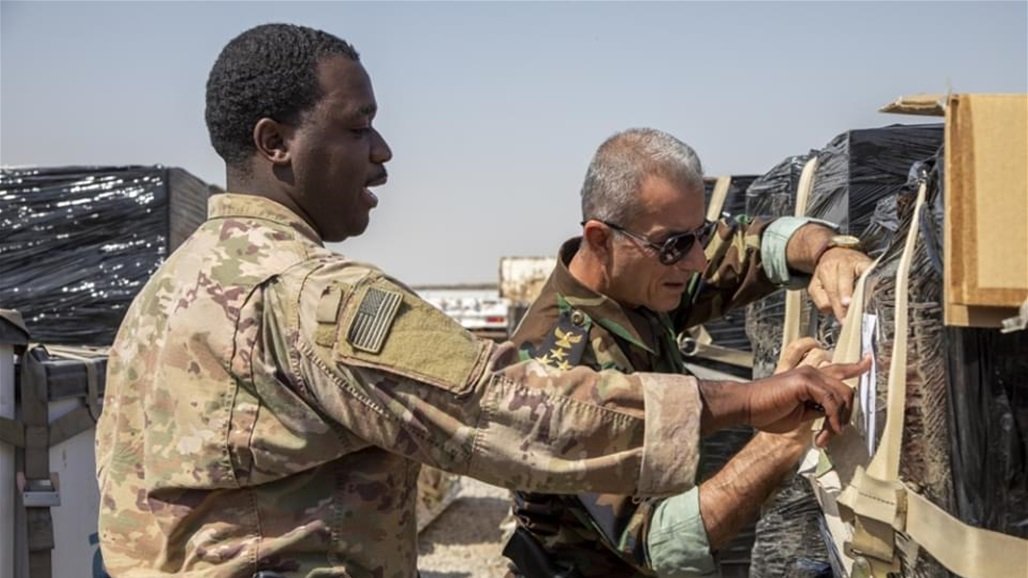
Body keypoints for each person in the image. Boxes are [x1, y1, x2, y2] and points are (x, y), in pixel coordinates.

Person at [94, 25, 866, 578]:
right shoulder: (312, 298)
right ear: (275, 144)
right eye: (359, 128)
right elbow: (509, 411)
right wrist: (756, 407)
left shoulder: (170, 291)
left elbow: (723, 261)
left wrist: (820, 246)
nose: (382, 153)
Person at [502, 128, 873, 577]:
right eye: (676, 245)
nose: (696, 260)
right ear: (600, 240)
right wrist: (782, 441)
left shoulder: (640, 275)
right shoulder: (555, 372)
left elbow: (751, 244)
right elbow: (661, 543)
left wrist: (827, 251)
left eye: (696, 236)